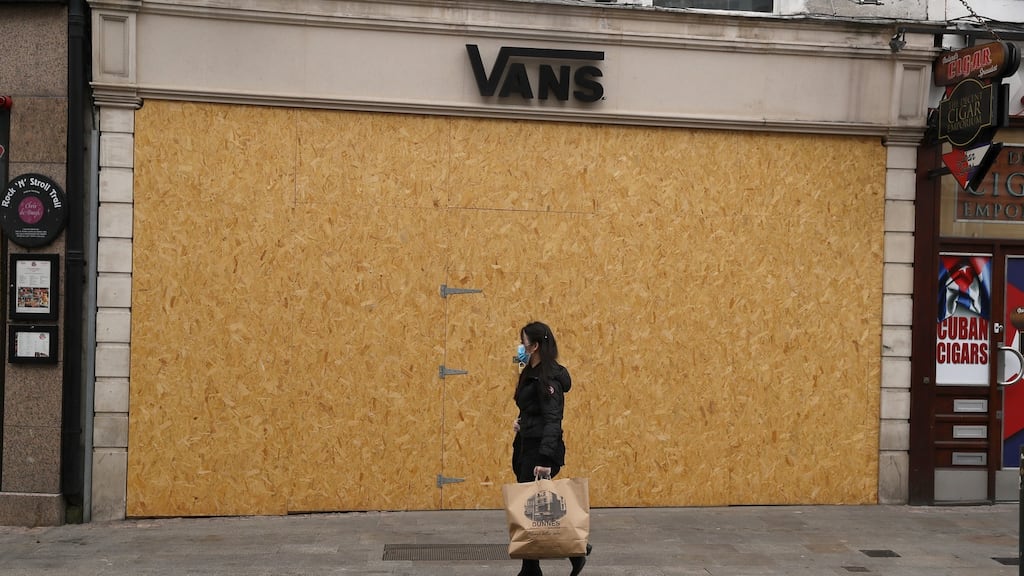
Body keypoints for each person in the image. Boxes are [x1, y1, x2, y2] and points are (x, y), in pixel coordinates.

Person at [511, 321, 591, 576]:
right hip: (527, 444)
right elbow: (532, 408)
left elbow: (553, 418)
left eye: (523, 342)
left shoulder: (548, 378)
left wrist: (545, 457)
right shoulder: (530, 371)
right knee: (532, 506)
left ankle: (532, 568)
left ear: (534, 346)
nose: (520, 347)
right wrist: (521, 420)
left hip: (540, 449)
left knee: (528, 508)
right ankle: (573, 551)